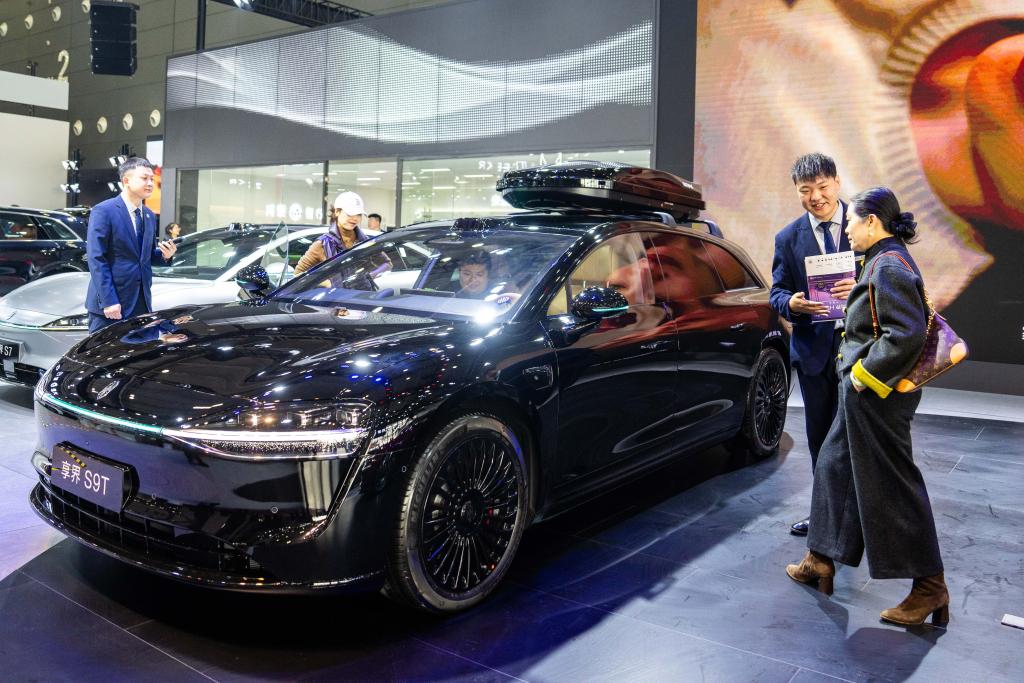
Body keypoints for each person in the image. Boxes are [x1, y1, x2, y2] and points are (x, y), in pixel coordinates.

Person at [786, 186, 948, 627]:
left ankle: (930, 587)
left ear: (872, 222)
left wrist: (862, 375)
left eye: (853, 223)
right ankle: (820, 558)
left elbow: (904, 334)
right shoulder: (880, 261)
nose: (848, 231)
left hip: (877, 396)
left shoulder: (888, 265)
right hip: (864, 396)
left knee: (892, 487)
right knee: (834, 467)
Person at [770, 153, 855, 536]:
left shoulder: (864, 224)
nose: (815, 197)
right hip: (813, 353)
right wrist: (791, 303)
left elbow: (887, 279)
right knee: (820, 437)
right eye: (806, 190)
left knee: (855, 436)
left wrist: (861, 288)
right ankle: (825, 517)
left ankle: (858, 517)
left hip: (859, 348)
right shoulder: (788, 238)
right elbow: (776, 292)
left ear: (836, 183)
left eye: (822, 187)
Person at [86, 157, 177, 334]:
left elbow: (145, 257)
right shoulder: (104, 211)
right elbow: (96, 258)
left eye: (152, 179)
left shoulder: (149, 215)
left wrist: (165, 255)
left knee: (144, 351)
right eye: (144, 178)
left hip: (142, 302)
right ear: (126, 180)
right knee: (106, 351)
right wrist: (109, 300)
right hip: (113, 304)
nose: (150, 183)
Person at [294, 191, 372, 275]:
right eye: (350, 213)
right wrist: (324, 281)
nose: (355, 218)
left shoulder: (366, 242)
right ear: (337, 211)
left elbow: (380, 265)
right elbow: (298, 274)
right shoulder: (323, 244)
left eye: (359, 214)